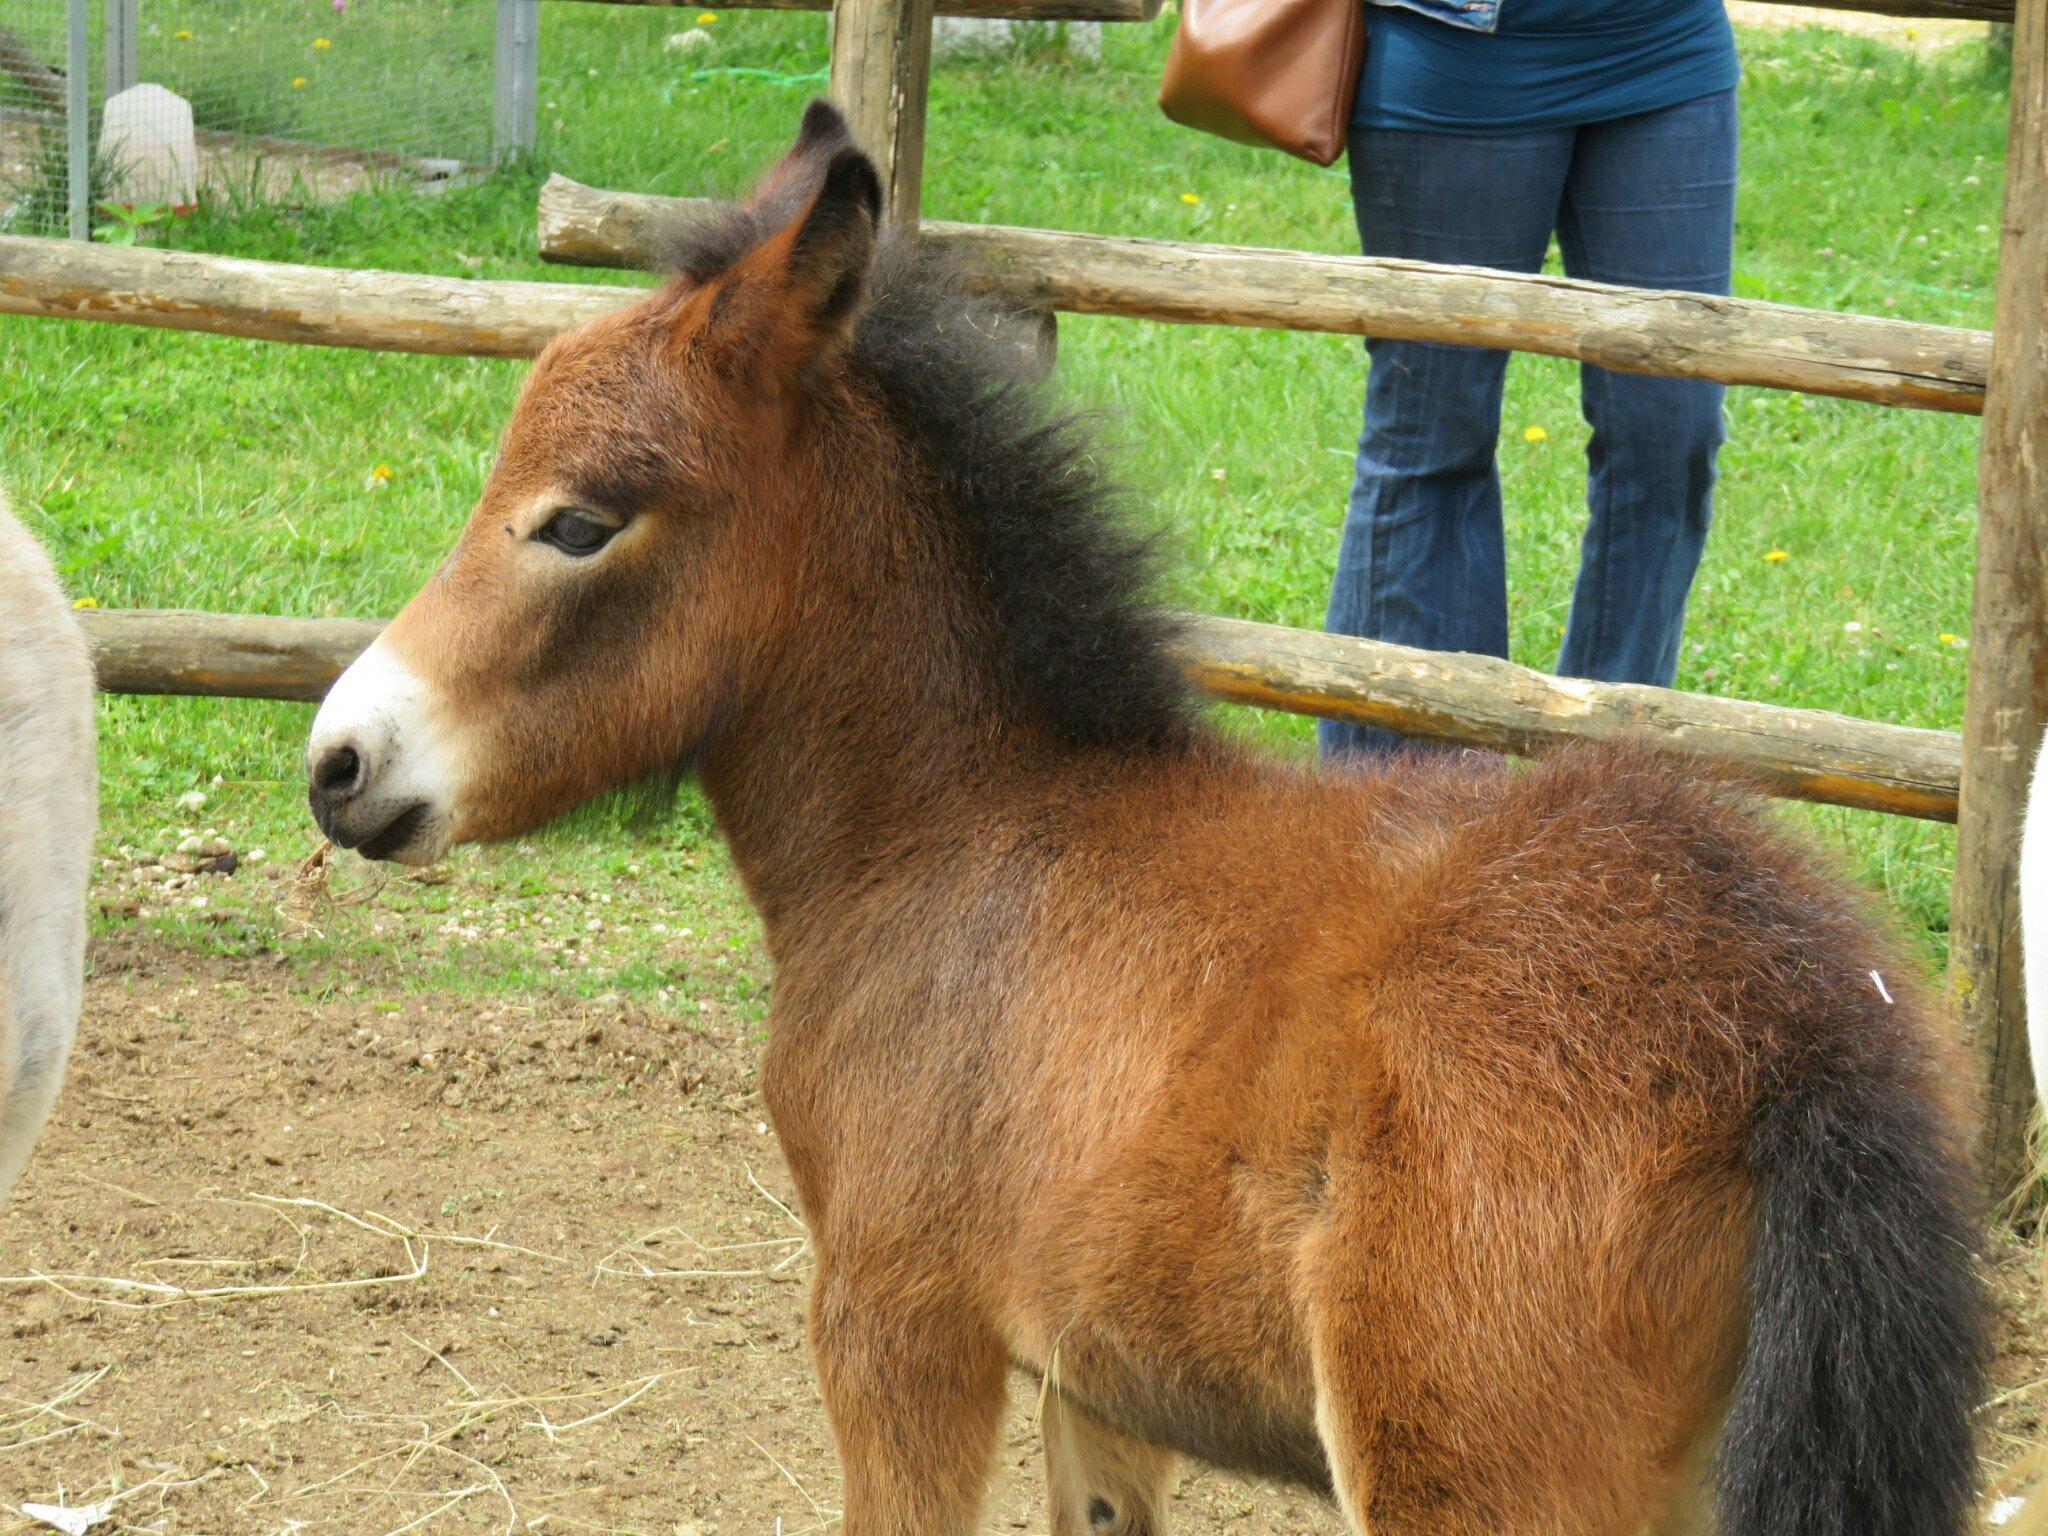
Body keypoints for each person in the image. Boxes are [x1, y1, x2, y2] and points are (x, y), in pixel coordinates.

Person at [1321, 0, 1740, 759]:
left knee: (1673, 430)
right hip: (1454, 55)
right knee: (1431, 427)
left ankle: (1605, 782)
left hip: (1665, 43)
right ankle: (1400, 813)